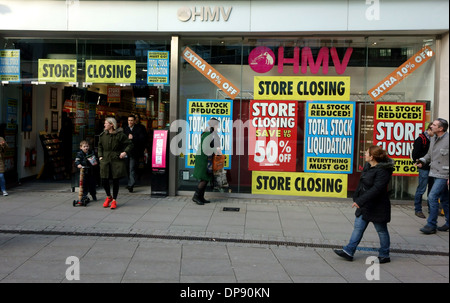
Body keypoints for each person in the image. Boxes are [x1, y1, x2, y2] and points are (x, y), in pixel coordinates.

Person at [334, 145, 394, 264]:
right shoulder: (368, 166)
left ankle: (384, 254)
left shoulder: (383, 171)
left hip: (378, 206)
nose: (364, 154)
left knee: (381, 230)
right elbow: (362, 184)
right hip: (365, 204)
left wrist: (360, 201)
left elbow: (376, 189)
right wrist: (357, 198)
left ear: (372, 157)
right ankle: (349, 251)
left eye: (366, 153)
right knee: (358, 227)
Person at [417, 118, 449, 234]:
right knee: (445, 199)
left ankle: (431, 225)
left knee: (432, 196)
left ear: (441, 128)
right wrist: (422, 161)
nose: (431, 126)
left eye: (434, 125)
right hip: (434, 172)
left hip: (444, 174)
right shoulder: (433, 138)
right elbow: (429, 155)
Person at [98, 117, 133, 209]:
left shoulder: (120, 135)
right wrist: (100, 156)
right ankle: (109, 197)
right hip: (105, 160)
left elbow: (129, 144)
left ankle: (114, 200)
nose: (104, 125)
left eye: (106, 123)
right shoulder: (102, 135)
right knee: (104, 179)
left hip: (116, 159)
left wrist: (125, 152)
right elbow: (100, 146)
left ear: (111, 125)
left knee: (115, 180)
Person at [192, 118, 220, 205]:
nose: (218, 127)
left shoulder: (209, 133)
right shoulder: (208, 134)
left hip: (205, 159)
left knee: (206, 178)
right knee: (204, 179)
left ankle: (201, 197)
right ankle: (196, 197)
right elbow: (206, 148)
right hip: (203, 160)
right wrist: (216, 149)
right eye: (217, 125)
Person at [412, 124, 435, 218]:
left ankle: (431, 209)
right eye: (434, 131)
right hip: (424, 167)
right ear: (429, 129)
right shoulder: (421, 139)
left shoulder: (434, 139)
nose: (435, 133)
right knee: (421, 189)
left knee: (432, 189)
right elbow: (415, 153)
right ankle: (418, 209)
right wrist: (418, 162)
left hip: (433, 167)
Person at [123, 114, 147, 192]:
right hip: (126, 152)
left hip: (135, 151)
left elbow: (142, 139)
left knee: (132, 168)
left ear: (134, 121)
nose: (130, 122)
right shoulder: (125, 129)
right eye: (129, 120)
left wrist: (134, 137)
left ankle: (131, 185)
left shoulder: (139, 128)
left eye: (131, 120)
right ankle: (130, 181)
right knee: (127, 167)